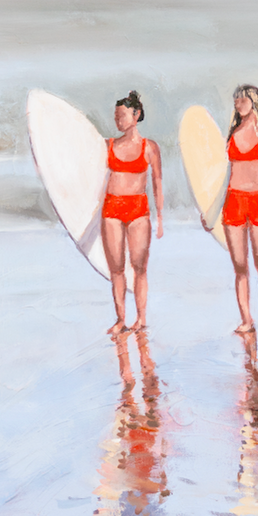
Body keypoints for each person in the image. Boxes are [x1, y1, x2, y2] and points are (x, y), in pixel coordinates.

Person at [211, 85, 258, 334]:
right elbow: (223, 177)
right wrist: (211, 211)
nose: (238, 103)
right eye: (236, 100)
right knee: (240, 267)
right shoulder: (232, 134)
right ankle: (246, 319)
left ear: (255, 102)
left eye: (243, 100)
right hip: (234, 202)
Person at [102, 91, 163, 335]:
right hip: (112, 208)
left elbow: (157, 183)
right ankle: (120, 319)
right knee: (116, 268)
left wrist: (159, 218)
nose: (118, 120)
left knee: (139, 267)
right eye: (116, 116)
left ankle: (141, 317)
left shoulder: (150, 147)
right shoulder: (108, 145)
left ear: (136, 115)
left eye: (122, 115)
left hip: (139, 209)